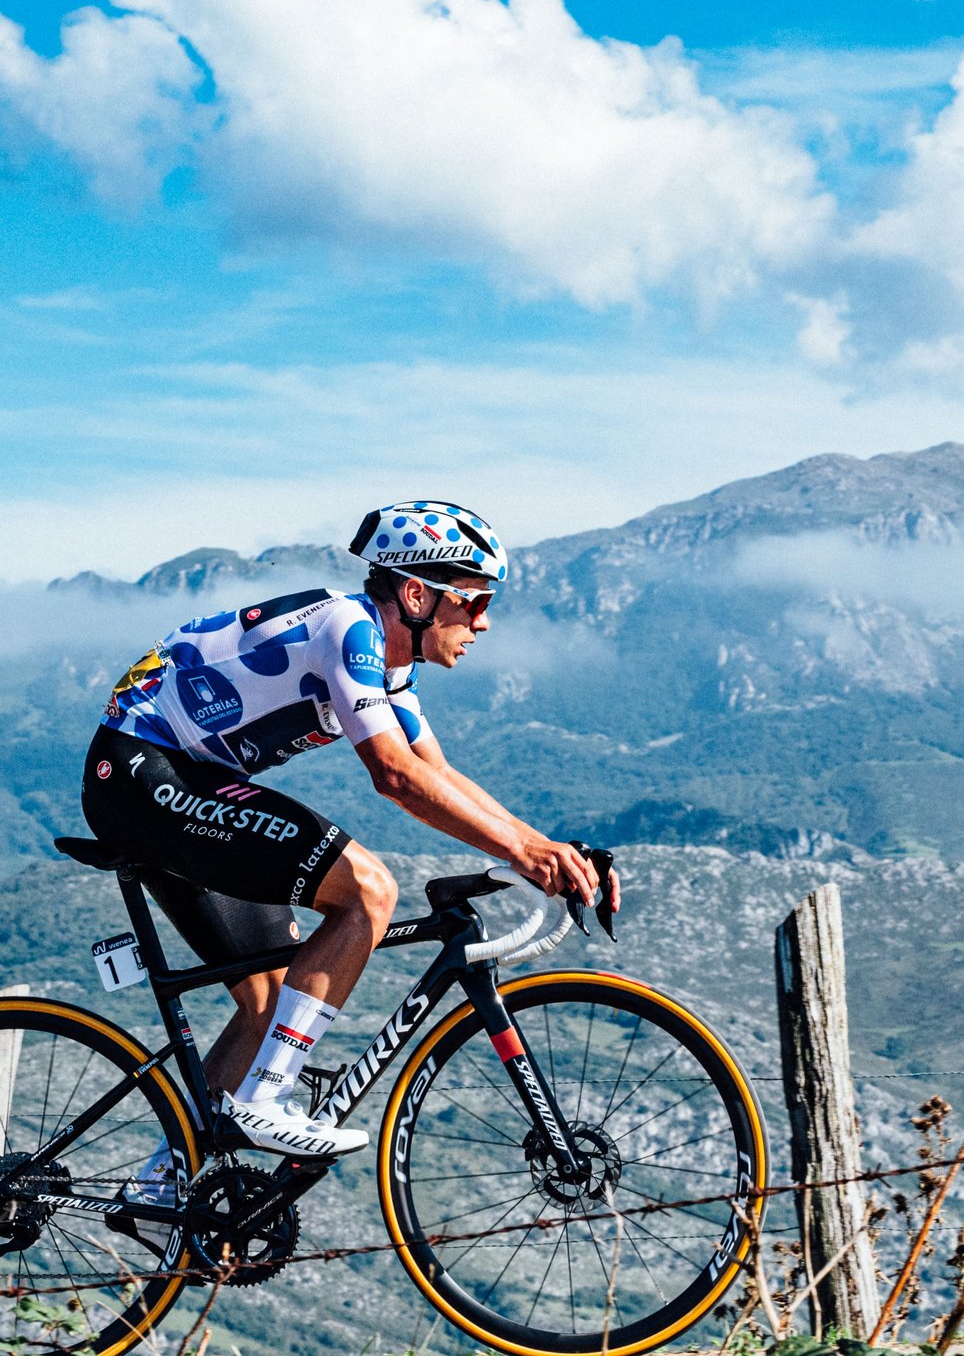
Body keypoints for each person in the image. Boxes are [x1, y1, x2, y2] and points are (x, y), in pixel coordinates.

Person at [80, 501, 614, 1180]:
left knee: (270, 1003)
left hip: (186, 778)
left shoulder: (392, 665)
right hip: (139, 770)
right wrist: (524, 855)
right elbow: (394, 776)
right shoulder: (350, 630)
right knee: (369, 888)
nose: (483, 622)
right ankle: (267, 1098)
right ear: (417, 594)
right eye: (473, 602)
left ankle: (162, 1189)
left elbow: (436, 773)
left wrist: (549, 852)